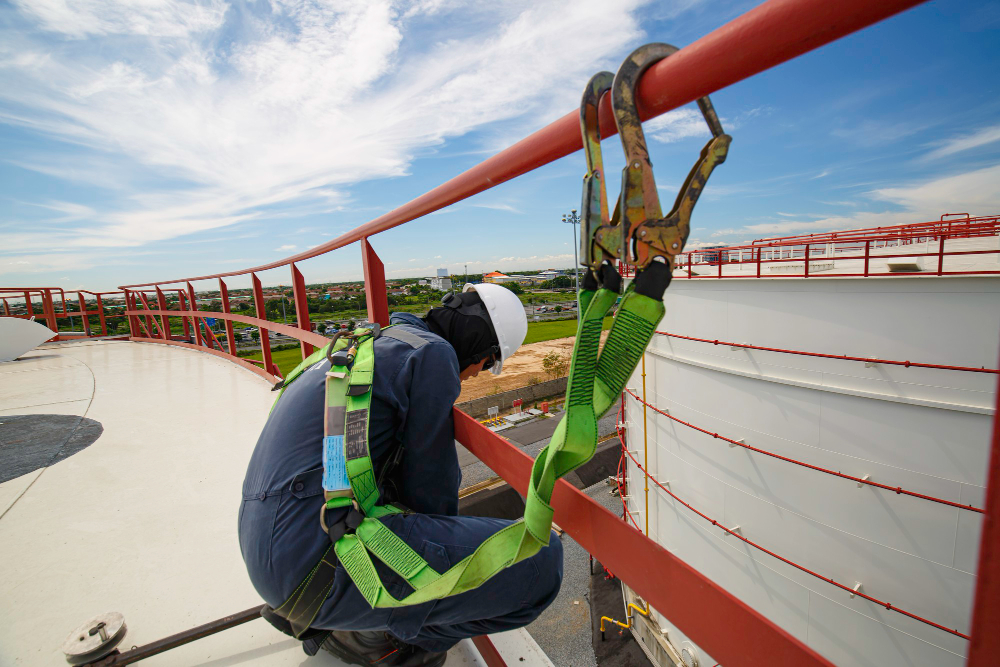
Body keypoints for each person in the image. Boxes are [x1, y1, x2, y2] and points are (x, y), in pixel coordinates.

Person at [239, 283, 563, 666]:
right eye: (487, 361)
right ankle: (382, 641)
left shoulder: (368, 342)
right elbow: (431, 490)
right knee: (541, 560)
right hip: (307, 563)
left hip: (270, 542)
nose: (476, 375)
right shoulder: (432, 354)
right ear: (479, 344)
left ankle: (353, 621)